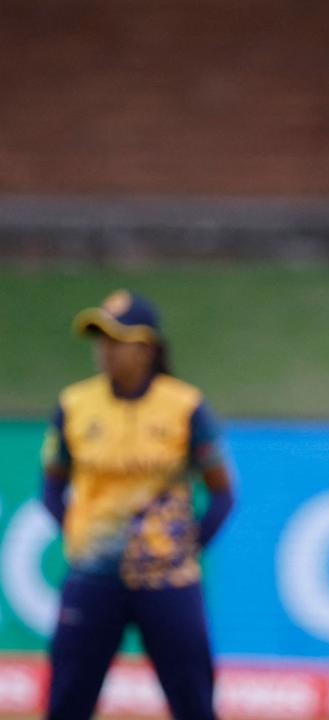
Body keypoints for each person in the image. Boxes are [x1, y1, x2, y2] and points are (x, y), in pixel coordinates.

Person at [39, 290, 235, 720]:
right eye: (99, 339)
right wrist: (78, 535)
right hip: (92, 578)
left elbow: (222, 492)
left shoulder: (185, 406)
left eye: (116, 339)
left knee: (194, 702)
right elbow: (51, 486)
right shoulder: (75, 404)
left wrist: (188, 547)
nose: (104, 350)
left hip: (167, 580)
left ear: (147, 347)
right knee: (67, 701)